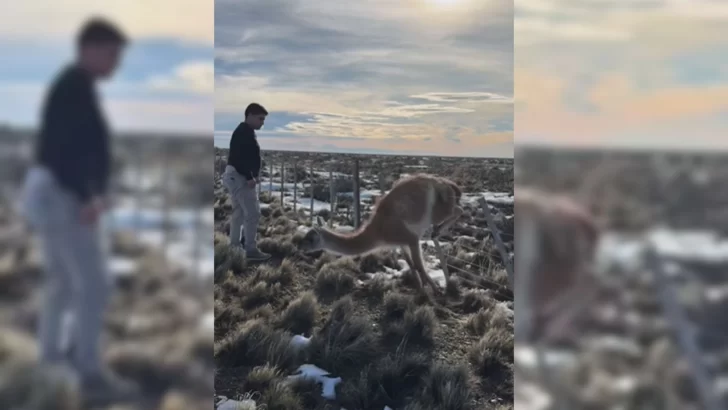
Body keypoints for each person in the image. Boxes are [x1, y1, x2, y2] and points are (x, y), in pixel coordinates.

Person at [21, 17, 139, 403]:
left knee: (62, 283)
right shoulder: (73, 89)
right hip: (63, 196)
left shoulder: (74, 86)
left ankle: (51, 361)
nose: (115, 63)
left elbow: (67, 147)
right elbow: (64, 149)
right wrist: (88, 194)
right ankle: (87, 372)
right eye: (111, 53)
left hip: (56, 193)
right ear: (89, 48)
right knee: (94, 285)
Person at [222, 103, 271, 261]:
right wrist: (250, 176)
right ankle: (250, 249)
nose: (262, 122)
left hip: (235, 176)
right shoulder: (244, 132)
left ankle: (235, 247)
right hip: (240, 177)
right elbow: (239, 157)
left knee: (239, 213)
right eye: (260, 118)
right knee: (253, 213)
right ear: (249, 115)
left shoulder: (244, 131)